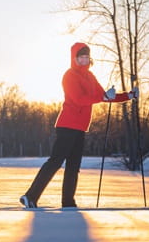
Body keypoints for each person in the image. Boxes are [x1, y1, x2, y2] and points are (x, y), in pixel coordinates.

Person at [19, 42, 138, 209]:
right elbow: (79, 99)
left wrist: (129, 95)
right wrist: (103, 97)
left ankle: (68, 202)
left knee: (74, 167)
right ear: (74, 58)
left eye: (87, 57)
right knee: (55, 162)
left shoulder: (90, 76)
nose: (84, 60)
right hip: (67, 125)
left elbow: (104, 96)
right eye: (81, 57)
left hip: (80, 127)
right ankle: (30, 196)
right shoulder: (69, 76)